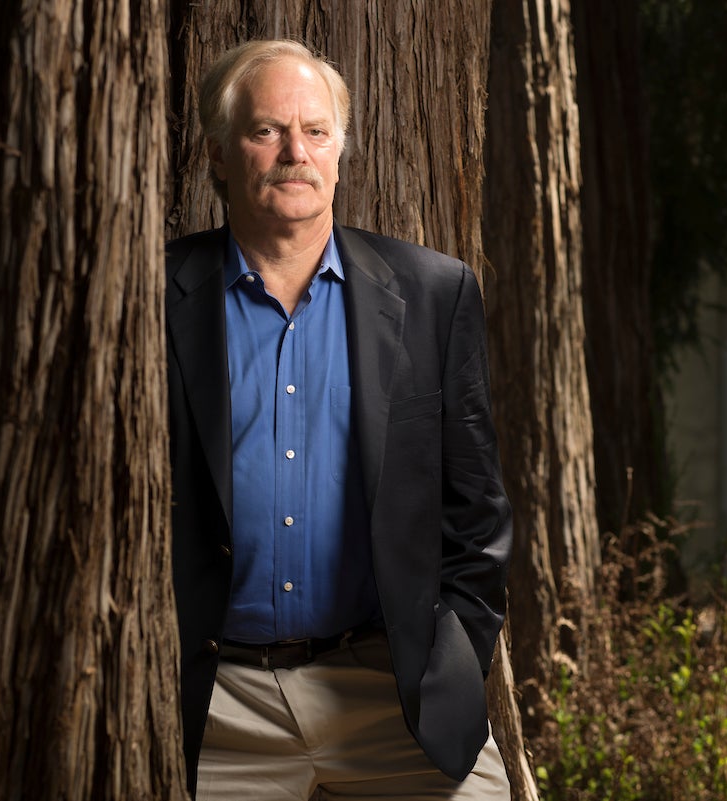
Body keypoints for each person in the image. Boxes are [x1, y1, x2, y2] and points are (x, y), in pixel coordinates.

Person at [166, 39, 513, 800]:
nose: (296, 152)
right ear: (219, 156)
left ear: (340, 151)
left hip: (388, 688)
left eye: (316, 132)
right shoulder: (158, 297)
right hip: (222, 703)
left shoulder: (432, 293)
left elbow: (478, 515)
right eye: (266, 131)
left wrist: (455, 652)